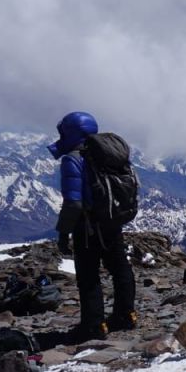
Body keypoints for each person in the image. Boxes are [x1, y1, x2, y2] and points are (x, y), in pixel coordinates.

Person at [47, 111, 137, 341]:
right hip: (112, 221)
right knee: (120, 268)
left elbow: (73, 203)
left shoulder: (73, 159)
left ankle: (93, 326)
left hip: (87, 227)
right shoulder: (109, 154)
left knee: (88, 276)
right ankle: (126, 315)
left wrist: (63, 232)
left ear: (70, 132)